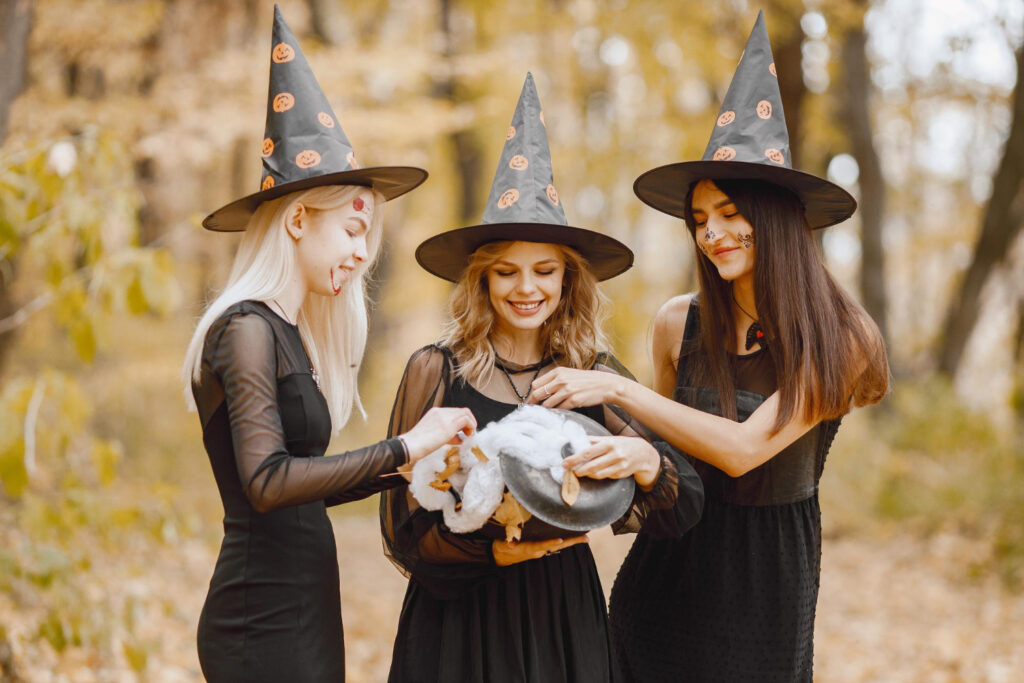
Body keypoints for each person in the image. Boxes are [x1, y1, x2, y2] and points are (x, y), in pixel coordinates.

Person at [529, 12, 890, 682]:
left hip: (767, 583)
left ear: (776, 217)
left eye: (730, 212)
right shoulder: (677, 323)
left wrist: (616, 386)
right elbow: (668, 462)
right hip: (667, 572)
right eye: (700, 220)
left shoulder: (844, 338)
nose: (713, 234)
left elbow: (742, 446)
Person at [380, 73, 704, 683]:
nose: (526, 289)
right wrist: (491, 550)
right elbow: (404, 528)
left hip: (560, 614)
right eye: (506, 272)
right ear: (481, 281)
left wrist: (641, 457)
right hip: (458, 622)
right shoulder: (436, 369)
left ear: (567, 280)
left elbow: (683, 501)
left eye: (544, 271)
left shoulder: (595, 376)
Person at [183, 8, 474, 681]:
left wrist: (414, 460)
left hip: (304, 600)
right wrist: (403, 446)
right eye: (351, 231)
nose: (360, 256)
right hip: (260, 618)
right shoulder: (246, 329)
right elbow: (267, 481)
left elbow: (303, 486)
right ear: (295, 220)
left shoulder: (285, 332)